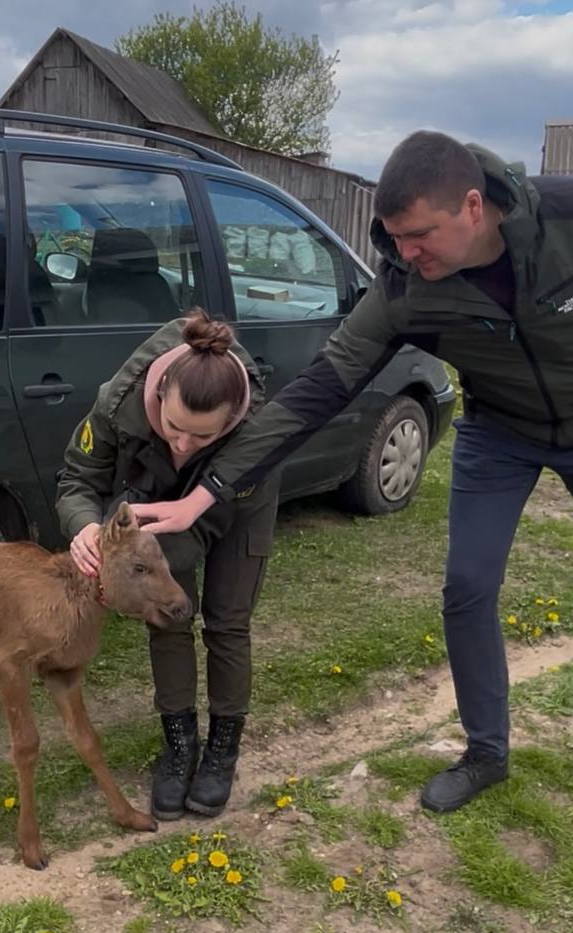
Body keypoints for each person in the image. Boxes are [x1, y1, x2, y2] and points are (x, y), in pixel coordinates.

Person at [130, 131, 573, 815]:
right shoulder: (403, 289)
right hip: (501, 434)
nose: (406, 254)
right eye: (395, 239)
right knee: (466, 588)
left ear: (474, 207)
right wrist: (205, 492)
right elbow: (315, 392)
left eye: (420, 236)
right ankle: (487, 753)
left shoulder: (561, 220)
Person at [56, 309, 279, 821]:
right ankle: (179, 744)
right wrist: (84, 526)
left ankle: (223, 747)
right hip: (158, 504)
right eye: (174, 428)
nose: (182, 444)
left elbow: (234, 491)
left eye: (202, 438)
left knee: (227, 623)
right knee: (170, 615)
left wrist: (201, 497)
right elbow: (77, 480)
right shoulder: (116, 404)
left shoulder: (259, 423)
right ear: (157, 396)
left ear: (231, 420)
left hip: (240, 504)